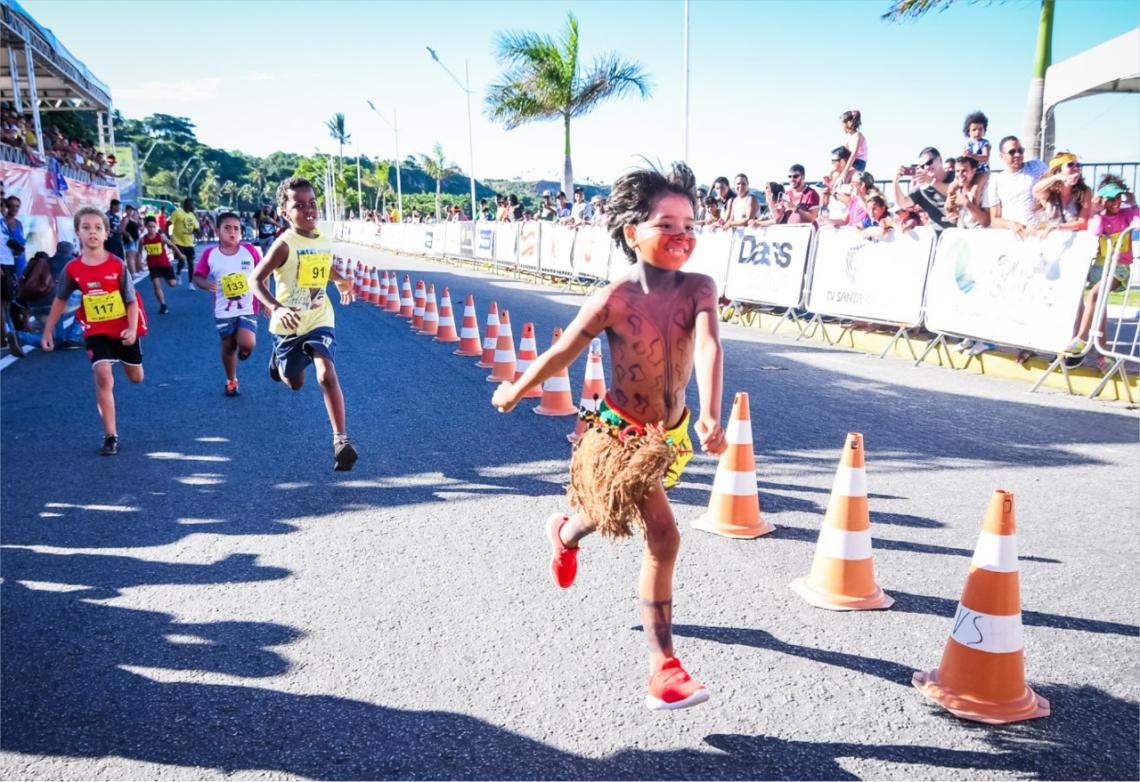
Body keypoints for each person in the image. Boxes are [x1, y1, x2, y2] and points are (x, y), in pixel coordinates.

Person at [491, 161, 727, 711]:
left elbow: (712, 346)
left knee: (609, 511)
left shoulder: (699, 288)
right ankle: (662, 668)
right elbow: (562, 353)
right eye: (666, 224)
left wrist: (712, 411)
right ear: (632, 232)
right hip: (621, 434)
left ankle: (565, 534)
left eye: (689, 224)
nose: (682, 235)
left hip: (671, 434)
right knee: (664, 536)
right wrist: (515, 387)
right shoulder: (615, 298)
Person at [250, 177, 358, 471]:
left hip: (320, 317)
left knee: (326, 374)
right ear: (284, 212)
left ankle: (341, 441)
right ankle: (279, 363)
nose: (308, 210)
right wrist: (275, 308)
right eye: (299, 205)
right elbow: (255, 279)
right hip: (290, 324)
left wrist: (341, 281)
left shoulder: (322, 238)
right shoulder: (283, 245)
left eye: (312, 204)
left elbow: (325, 264)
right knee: (295, 383)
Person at [41, 207, 146, 456]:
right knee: (102, 374)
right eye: (86, 227)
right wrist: (47, 331)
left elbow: (131, 301)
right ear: (78, 232)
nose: (92, 232)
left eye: (98, 228)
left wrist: (132, 328)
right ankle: (111, 436)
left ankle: (123, 359)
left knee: (136, 377)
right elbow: (60, 299)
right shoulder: (73, 269)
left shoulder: (117, 265)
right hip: (96, 329)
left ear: (106, 233)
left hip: (122, 329)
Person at [1063, 176, 1138, 363]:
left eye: (1118, 198)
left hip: (1119, 268)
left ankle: (1080, 339)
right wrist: (1095, 212)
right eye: (1111, 199)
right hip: (1100, 266)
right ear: (1101, 199)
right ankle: (1103, 355)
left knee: (1095, 295)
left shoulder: (1126, 214)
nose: (1116, 203)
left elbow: (1137, 221)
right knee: (1100, 306)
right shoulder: (1100, 218)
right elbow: (1095, 231)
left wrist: (1133, 203)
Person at [193, 212, 261, 397]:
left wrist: (265, 299)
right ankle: (231, 380)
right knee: (228, 346)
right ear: (217, 231)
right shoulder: (211, 254)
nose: (232, 232)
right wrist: (206, 284)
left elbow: (263, 274)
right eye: (227, 228)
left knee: (247, 342)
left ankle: (245, 349)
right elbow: (197, 277)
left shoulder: (250, 250)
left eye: (236, 228)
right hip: (223, 309)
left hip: (248, 306)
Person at [987, 136, 1048, 238]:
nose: (1017, 154)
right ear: (1001, 156)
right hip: (1014, 237)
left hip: (1040, 233)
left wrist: (1043, 205)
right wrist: (1011, 224)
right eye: (1012, 152)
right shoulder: (996, 180)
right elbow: (994, 220)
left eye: (1020, 151)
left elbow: (1055, 189)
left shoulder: (1037, 166)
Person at [893, 148, 955, 231]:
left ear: (940, 159)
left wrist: (931, 181)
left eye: (929, 162)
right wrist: (895, 182)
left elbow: (952, 191)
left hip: (961, 233)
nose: (926, 167)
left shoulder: (957, 176)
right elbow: (902, 203)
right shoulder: (922, 188)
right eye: (922, 166)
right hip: (938, 236)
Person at [1032, 151, 1091, 234]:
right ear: (1058, 170)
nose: (1076, 168)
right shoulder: (1049, 193)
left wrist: (1057, 227)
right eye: (1070, 165)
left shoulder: (1085, 191)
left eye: (1078, 165)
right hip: (1052, 239)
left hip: (1075, 240)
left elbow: (1083, 223)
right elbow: (1036, 190)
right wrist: (1056, 177)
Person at [140, 215, 186, 314]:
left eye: (153, 226)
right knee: (156, 286)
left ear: (156, 226)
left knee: (173, 284)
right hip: (153, 265)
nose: (151, 229)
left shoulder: (161, 237)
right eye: (149, 226)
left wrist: (180, 254)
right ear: (145, 227)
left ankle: (166, 276)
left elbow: (172, 245)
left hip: (164, 264)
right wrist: (139, 261)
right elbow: (139, 252)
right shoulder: (143, 240)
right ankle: (163, 305)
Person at [1, 195, 26, 354]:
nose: (13, 209)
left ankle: (10, 332)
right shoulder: (2, 222)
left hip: (13, 263)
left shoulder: (16, 223)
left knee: (8, 301)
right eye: (11, 206)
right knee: (2, 303)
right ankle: (5, 336)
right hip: (3, 264)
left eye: (17, 206)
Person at [946, 156, 991, 229]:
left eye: (964, 171)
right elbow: (952, 220)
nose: (960, 175)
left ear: (973, 171)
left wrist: (967, 203)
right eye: (957, 171)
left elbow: (987, 222)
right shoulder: (956, 190)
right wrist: (949, 211)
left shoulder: (984, 190)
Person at [169, 198, 200, 284]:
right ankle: (178, 273)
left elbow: (196, 229)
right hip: (178, 241)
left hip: (189, 243)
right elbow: (168, 223)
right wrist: (167, 237)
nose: (194, 207)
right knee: (182, 260)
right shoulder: (177, 213)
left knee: (190, 263)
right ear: (187, 205)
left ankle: (190, 283)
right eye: (192, 204)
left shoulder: (192, 216)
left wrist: (199, 233)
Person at [961, 110, 991, 191]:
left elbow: (985, 157)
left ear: (984, 131)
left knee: (975, 189)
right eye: (974, 130)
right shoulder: (968, 144)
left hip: (982, 171)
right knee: (955, 188)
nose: (977, 132)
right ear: (968, 132)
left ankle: (974, 204)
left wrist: (972, 155)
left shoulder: (985, 143)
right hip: (970, 172)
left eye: (980, 129)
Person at [839, 110, 867, 180]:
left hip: (858, 163)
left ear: (848, 123)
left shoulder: (858, 136)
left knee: (844, 180)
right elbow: (844, 153)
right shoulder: (848, 137)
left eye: (842, 125)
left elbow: (853, 155)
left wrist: (844, 172)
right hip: (851, 162)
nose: (841, 127)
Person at [122, 205, 143, 275]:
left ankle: (134, 271)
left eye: (132, 210)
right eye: (130, 210)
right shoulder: (126, 219)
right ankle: (133, 272)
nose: (131, 212)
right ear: (127, 210)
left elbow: (138, 228)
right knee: (130, 256)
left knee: (133, 255)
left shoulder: (132, 219)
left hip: (135, 239)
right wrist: (129, 236)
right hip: (129, 240)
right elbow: (122, 229)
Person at [104, 199, 126, 264]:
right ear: (113, 206)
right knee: (113, 258)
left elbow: (119, 228)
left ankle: (121, 272)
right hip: (110, 240)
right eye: (119, 206)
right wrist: (115, 231)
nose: (120, 208)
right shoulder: (107, 215)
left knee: (120, 258)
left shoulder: (117, 217)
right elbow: (105, 227)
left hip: (118, 240)